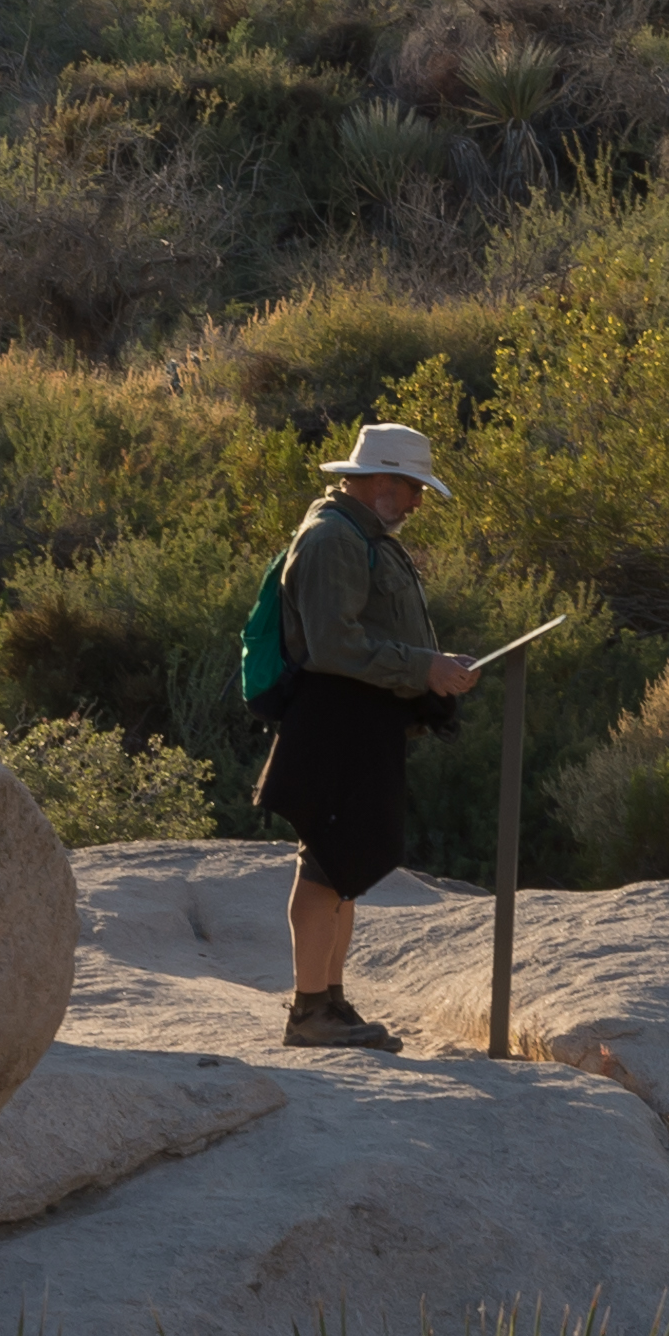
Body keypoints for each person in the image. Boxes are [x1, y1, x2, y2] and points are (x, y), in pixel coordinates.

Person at [254, 422, 476, 1051]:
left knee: (343, 864)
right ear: (380, 480)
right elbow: (332, 645)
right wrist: (422, 667)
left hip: (357, 722)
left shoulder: (360, 534)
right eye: (412, 488)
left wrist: (431, 666)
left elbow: (370, 632)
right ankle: (310, 1011)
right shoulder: (332, 539)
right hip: (333, 722)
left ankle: (329, 1001)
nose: (416, 503)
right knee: (325, 863)